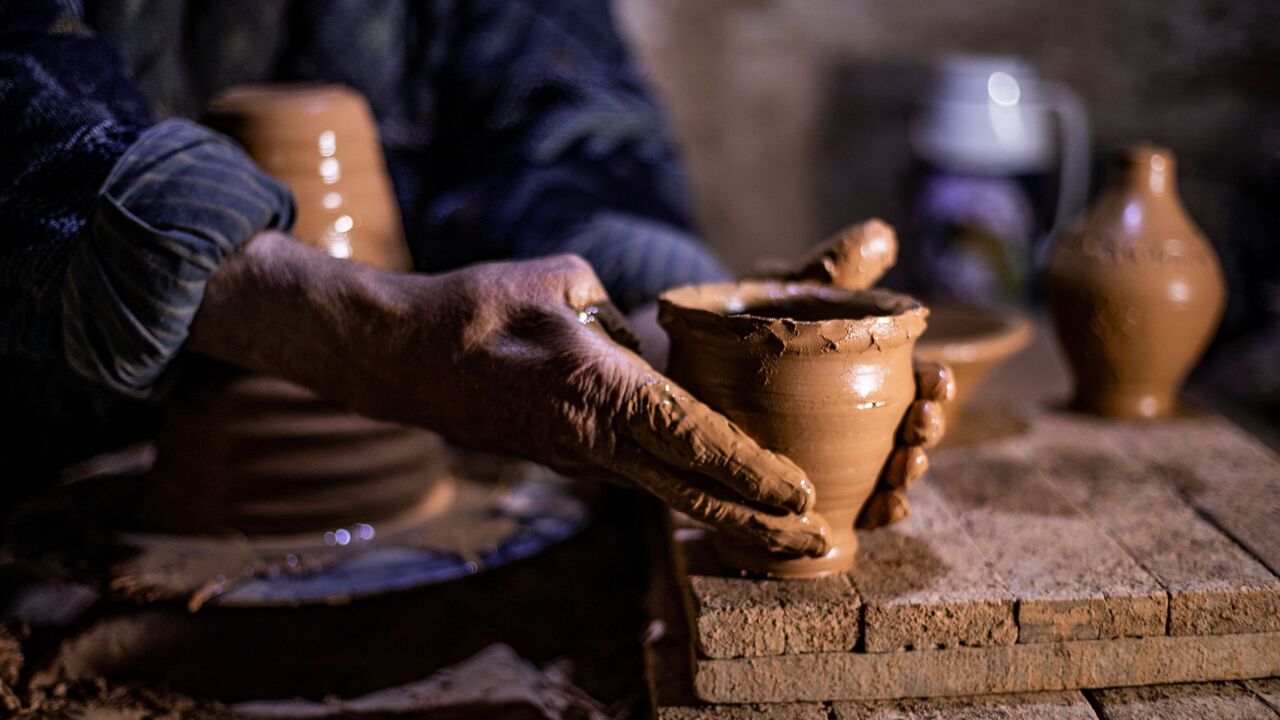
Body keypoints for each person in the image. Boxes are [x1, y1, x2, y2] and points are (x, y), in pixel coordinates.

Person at [0, 0, 946, 555]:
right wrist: (353, 328)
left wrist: (679, 335)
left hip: (436, 453)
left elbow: (571, 114)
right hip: (58, 472)